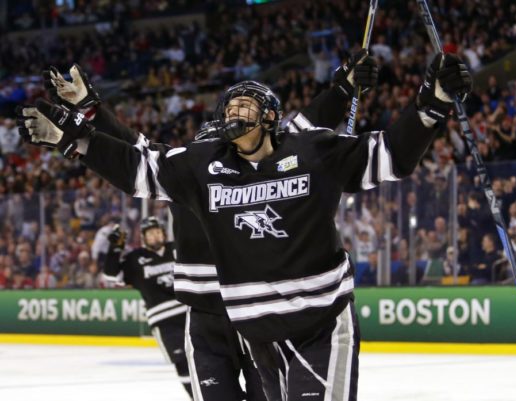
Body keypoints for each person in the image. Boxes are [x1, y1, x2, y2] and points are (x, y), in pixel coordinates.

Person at [20, 52, 472, 400]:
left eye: (246, 107)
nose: (233, 116)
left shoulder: (309, 149)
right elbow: (133, 161)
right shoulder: (198, 165)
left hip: (312, 319)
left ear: (271, 118)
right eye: (228, 109)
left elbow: (381, 151)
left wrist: (426, 106)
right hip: (240, 322)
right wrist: (75, 134)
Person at [103, 216, 192, 398]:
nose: (156, 235)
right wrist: (114, 249)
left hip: (192, 314)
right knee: (182, 362)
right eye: (151, 233)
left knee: (204, 358)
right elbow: (111, 276)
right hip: (164, 322)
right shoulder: (135, 259)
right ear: (144, 237)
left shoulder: (177, 249)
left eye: (158, 231)